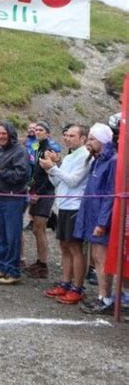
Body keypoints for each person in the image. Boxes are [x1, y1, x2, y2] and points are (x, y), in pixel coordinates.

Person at [40, 124, 91, 304]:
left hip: (75, 206)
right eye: (66, 135)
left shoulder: (85, 156)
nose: (67, 138)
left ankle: (78, 287)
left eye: (71, 135)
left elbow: (74, 181)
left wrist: (53, 168)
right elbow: (58, 182)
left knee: (75, 248)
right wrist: (50, 168)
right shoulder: (70, 156)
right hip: (63, 205)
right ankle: (66, 282)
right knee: (64, 246)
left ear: (83, 138)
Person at [73, 123, 118, 314]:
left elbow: (110, 194)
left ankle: (106, 298)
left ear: (102, 140)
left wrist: (102, 222)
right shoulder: (97, 160)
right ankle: (102, 295)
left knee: (101, 259)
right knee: (96, 257)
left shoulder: (112, 161)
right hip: (91, 214)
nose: (88, 142)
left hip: (101, 218)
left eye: (92, 139)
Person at [0, 121, 30, 285]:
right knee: (0, 234)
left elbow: (21, 175)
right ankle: (2, 266)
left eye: (4, 133)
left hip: (14, 198)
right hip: (0, 196)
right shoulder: (0, 151)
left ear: (11, 134)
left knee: (12, 236)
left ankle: (13, 270)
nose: (1, 136)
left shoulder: (20, 152)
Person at [26, 121, 62, 279]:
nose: (37, 132)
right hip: (36, 189)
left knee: (40, 228)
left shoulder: (48, 149)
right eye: (35, 130)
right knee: (35, 229)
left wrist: (38, 193)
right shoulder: (36, 146)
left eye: (40, 130)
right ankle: (39, 261)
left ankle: (43, 265)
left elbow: (50, 175)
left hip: (45, 192)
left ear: (47, 133)